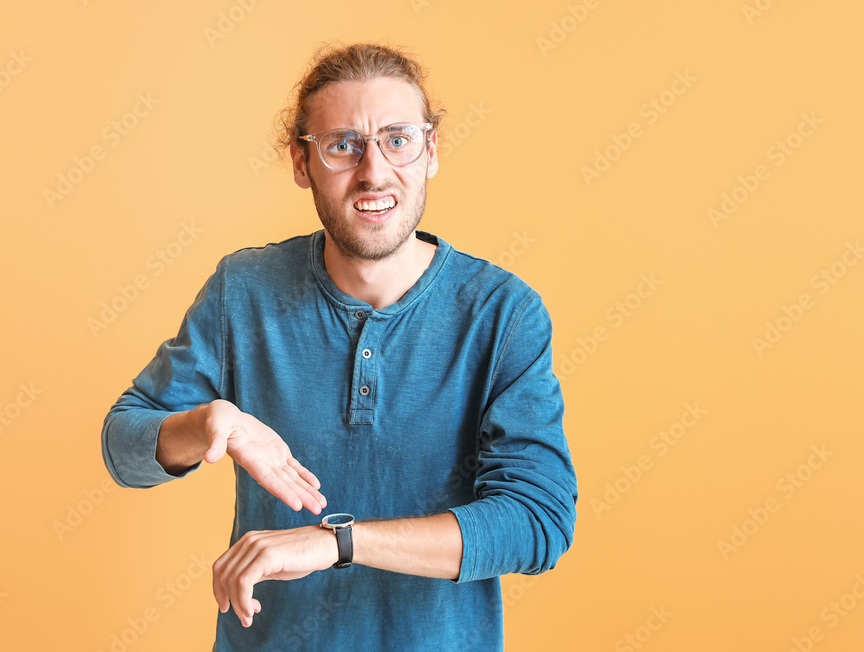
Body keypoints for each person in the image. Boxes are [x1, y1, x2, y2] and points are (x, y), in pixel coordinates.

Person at [101, 41, 577, 651]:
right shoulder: (243, 292)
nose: (374, 171)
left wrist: (336, 542)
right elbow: (124, 448)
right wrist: (207, 423)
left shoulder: (503, 313)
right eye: (343, 145)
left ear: (431, 151)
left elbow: (537, 522)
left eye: (397, 139)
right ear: (302, 162)